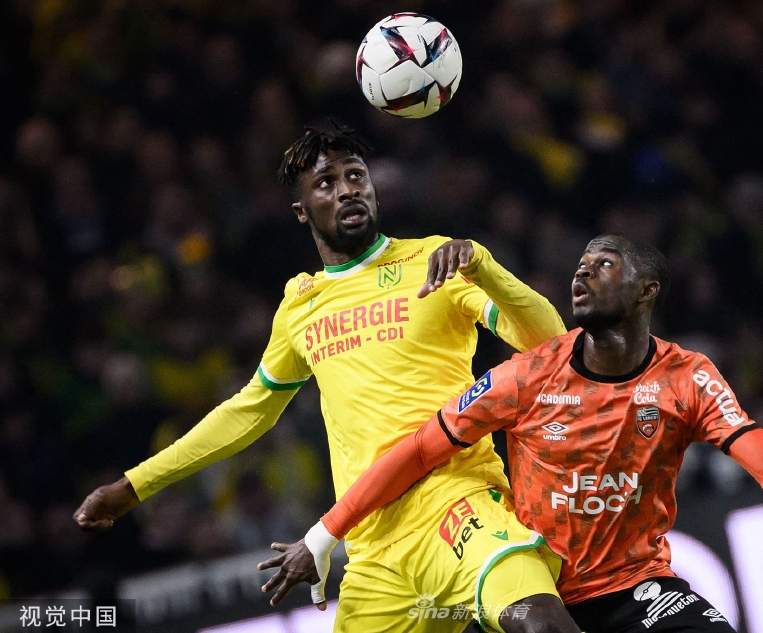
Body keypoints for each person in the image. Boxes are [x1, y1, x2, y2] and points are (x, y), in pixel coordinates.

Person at [73, 126, 580, 633]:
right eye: (326, 183)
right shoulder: (301, 305)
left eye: (356, 176)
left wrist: (484, 265)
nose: (347, 190)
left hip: (456, 501)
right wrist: (136, 485)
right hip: (372, 547)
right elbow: (246, 413)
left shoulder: (433, 259)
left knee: (537, 621)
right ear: (302, 211)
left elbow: (549, 342)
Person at [292, 233, 763, 633]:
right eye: (581, 264)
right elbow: (419, 450)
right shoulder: (527, 375)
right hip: (538, 593)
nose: (583, 271)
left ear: (646, 290)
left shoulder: (687, 378)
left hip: (634, 589)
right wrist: (327, 532)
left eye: (604, 263)